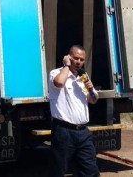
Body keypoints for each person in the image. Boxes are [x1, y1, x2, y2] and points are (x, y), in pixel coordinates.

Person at [48, 45, 100, 177]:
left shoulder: (83, 77)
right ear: (69, 57)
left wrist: (90, 89)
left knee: (90, 169)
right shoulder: (56, 73)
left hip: (83, 132)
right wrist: (66, 66)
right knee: (59, 169)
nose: (78, 62)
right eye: (75, 58)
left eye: (82, 59)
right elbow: (59, 83)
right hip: (64, 131)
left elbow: (93, 100)